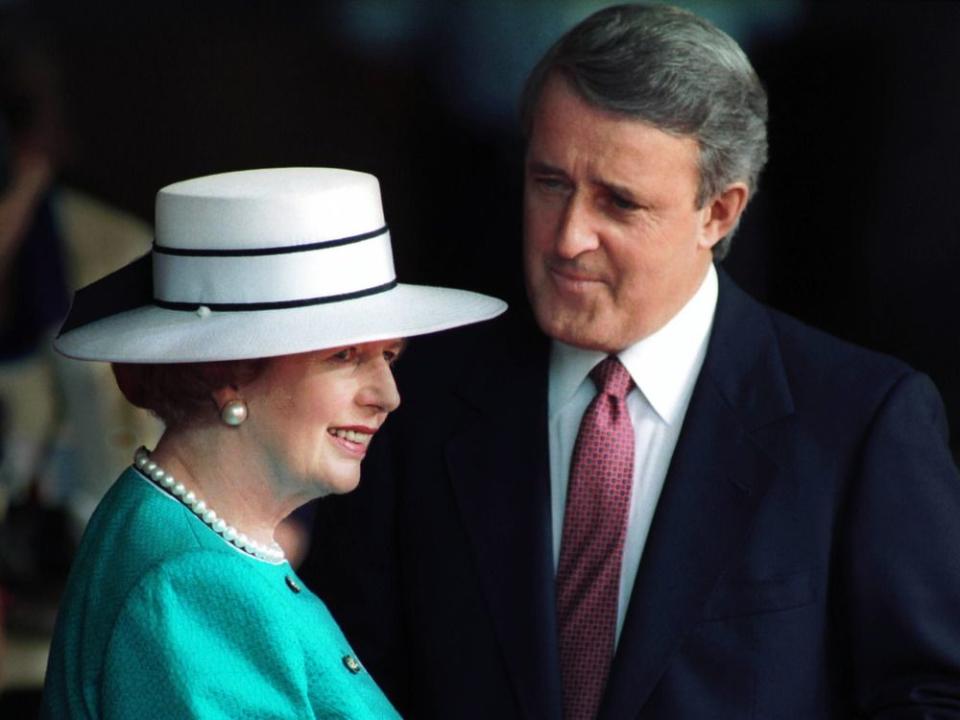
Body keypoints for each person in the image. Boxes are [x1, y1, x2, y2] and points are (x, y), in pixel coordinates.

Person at [302, 4, 960, 719]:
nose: (568, 238)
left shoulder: (859, 423)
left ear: (720, 212)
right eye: (549, 183)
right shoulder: (415, 403)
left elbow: (929, 696)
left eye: (619, 203)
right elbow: (346, 678)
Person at [39, 167, 506, 718]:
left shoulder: (196, 541)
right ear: (227, 371)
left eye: (390, 357)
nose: (388, 395)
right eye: (346, 356)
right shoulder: (192, 585)